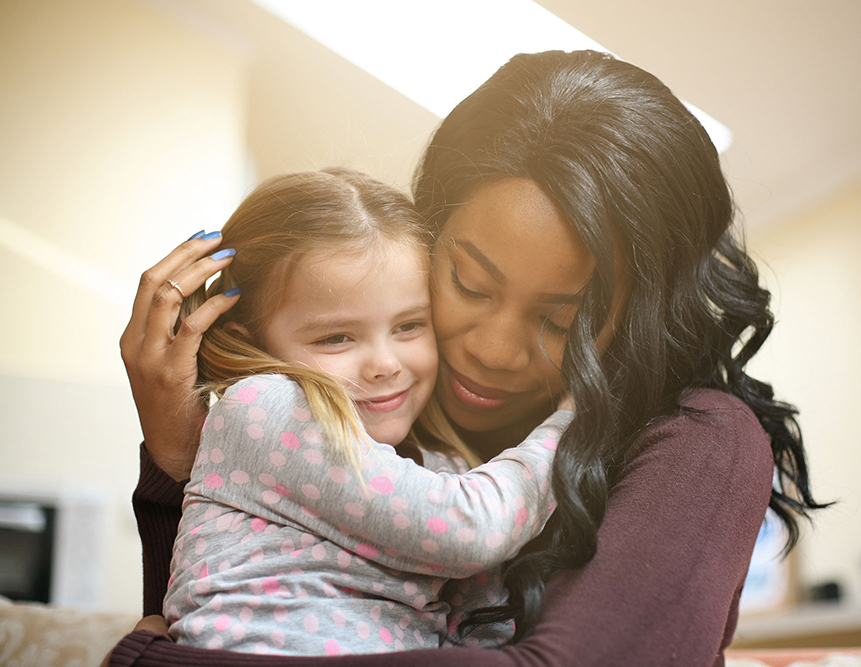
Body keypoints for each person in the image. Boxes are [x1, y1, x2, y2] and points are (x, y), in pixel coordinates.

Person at [110, 50, 824, 667]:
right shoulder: (380, 415)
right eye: (469, 284)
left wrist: (151, 659)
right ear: (428, 236)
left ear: (640, 318)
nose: (490, 348)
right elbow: (236, 618)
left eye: (560, 319)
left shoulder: (701, 440)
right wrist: (180, 461)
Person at [163, 168, 571, 656]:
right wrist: (579, 415)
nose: (384, 364)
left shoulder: (447, 473)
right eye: (336, 337)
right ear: (253, 343)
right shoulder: (260, 406)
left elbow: (482, 632)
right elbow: (474, 531)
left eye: (409, 325)